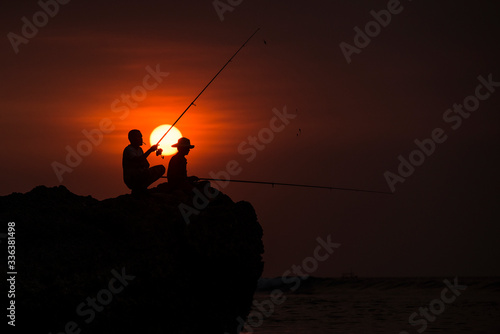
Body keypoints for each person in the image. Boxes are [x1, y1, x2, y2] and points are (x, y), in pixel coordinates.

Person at [122, 129, 165, 195]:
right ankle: (139, 189)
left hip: (139, 175)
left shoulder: (140, 150)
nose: (141, 139)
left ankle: (141, 189)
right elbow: (138, 160)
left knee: (161, 168)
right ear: (133, 139)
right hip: (132, 178)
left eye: (141, 137)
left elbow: (146, 164)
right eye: (139, 137)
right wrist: (150, 150)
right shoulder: (129, 150)